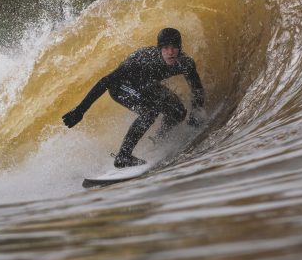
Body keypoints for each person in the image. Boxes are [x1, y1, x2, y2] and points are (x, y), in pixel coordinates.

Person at [62, 27, 205, 168]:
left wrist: (196, 112)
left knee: (178, 111)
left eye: (174, 47)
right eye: (166, 48)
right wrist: (81, 110)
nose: (170, 52)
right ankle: (123, 156)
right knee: (150, 111)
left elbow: (197, 89)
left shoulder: (185, 63)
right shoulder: (144, 60)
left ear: (180, 48)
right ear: (159, 49)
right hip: (120, 86)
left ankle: (159, 138)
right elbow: (106, 81)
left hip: (146, 85)